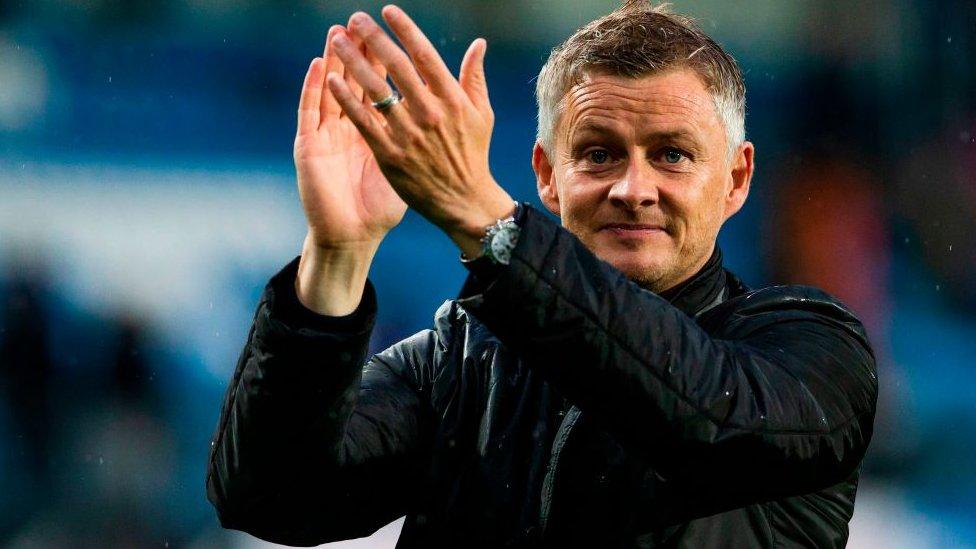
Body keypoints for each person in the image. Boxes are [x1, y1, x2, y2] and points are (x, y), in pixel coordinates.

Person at [206, 2, 878, 547]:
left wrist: (486, 221)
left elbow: (705, 419)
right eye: (598, 154)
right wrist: (338, 253)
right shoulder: (462, 358)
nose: (633, 187)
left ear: (735, 180)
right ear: (547, 176)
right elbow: (272, 496)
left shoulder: (814, 349)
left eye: (672, 155)